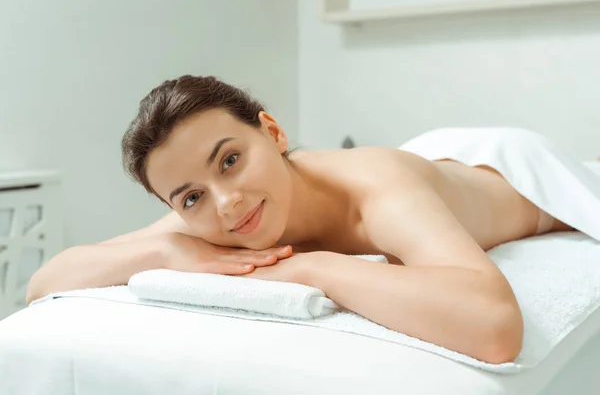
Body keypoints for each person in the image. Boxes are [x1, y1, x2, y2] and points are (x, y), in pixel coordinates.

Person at [27, 75, 576, 365]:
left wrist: (312, 268)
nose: (227, 203)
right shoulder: (207, 217)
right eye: (190, 197)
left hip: (513, 167)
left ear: (273, 132)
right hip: (428, 156)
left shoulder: (378, 190)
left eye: (231, 159)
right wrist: (166, 251)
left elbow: (495, 328)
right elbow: (45, 282)